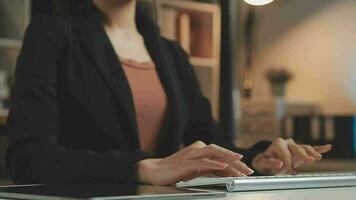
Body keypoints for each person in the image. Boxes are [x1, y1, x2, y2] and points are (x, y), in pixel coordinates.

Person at [5, 0, 331, 186]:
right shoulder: (52, 34)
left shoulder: (170, 52)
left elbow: (211, 141)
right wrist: (142, 167)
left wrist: (258, 158)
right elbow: (28, 158)